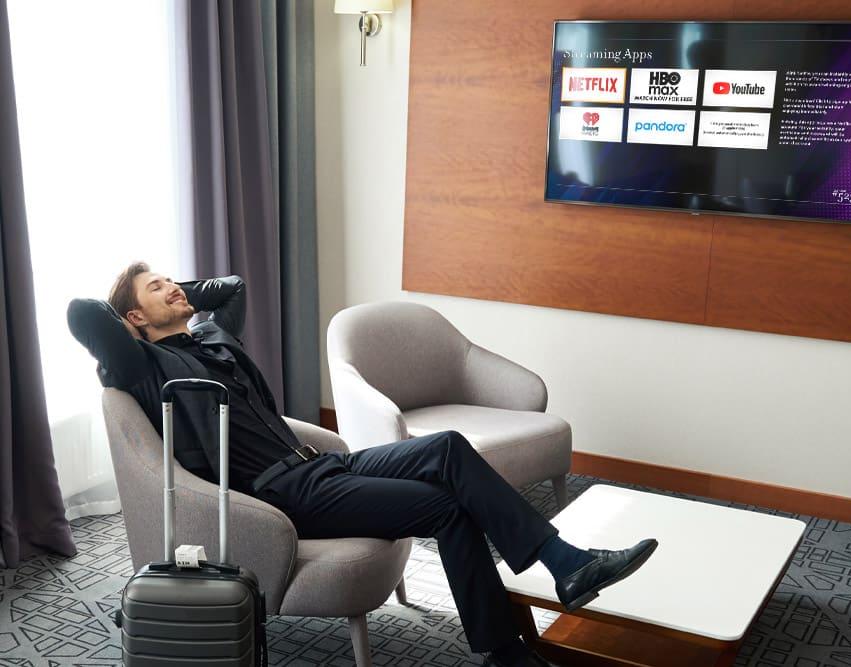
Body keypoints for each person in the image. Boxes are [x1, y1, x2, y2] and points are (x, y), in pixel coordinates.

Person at [68, 262, 658, 667]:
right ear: (134, 319)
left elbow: (233, 287)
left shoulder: (213, 338)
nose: (174, 287)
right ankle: (517, 633)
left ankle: (559, 572)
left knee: (448, 449)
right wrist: (136, 314)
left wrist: (178, 294)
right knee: (449, 505)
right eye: (156, 287)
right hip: (280, 493)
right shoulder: (142, 366)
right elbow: (82, 312)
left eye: (173, 280)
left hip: (321, 466)